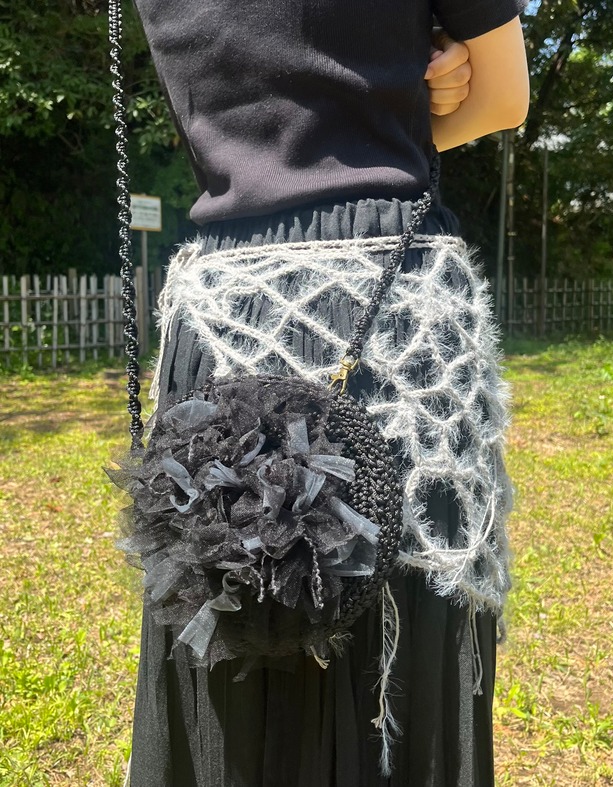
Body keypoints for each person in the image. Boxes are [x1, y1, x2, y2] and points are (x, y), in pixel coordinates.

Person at [123, 1, 529, 785]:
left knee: (234, 653)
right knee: (396, 690)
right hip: (391, 316)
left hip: (223, 321)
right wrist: (399, 100)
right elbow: (504, 96)